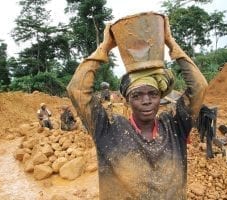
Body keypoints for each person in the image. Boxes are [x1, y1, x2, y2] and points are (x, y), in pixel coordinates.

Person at [67, 12, 208, 199]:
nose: (146, 100)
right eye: (137, 95)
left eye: (153, 94)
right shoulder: (108, 130)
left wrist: (170, 42)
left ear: (160, 97)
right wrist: (105, 47)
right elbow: (76, 89)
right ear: (127, 100)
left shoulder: (174, 126)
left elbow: (199, 87)